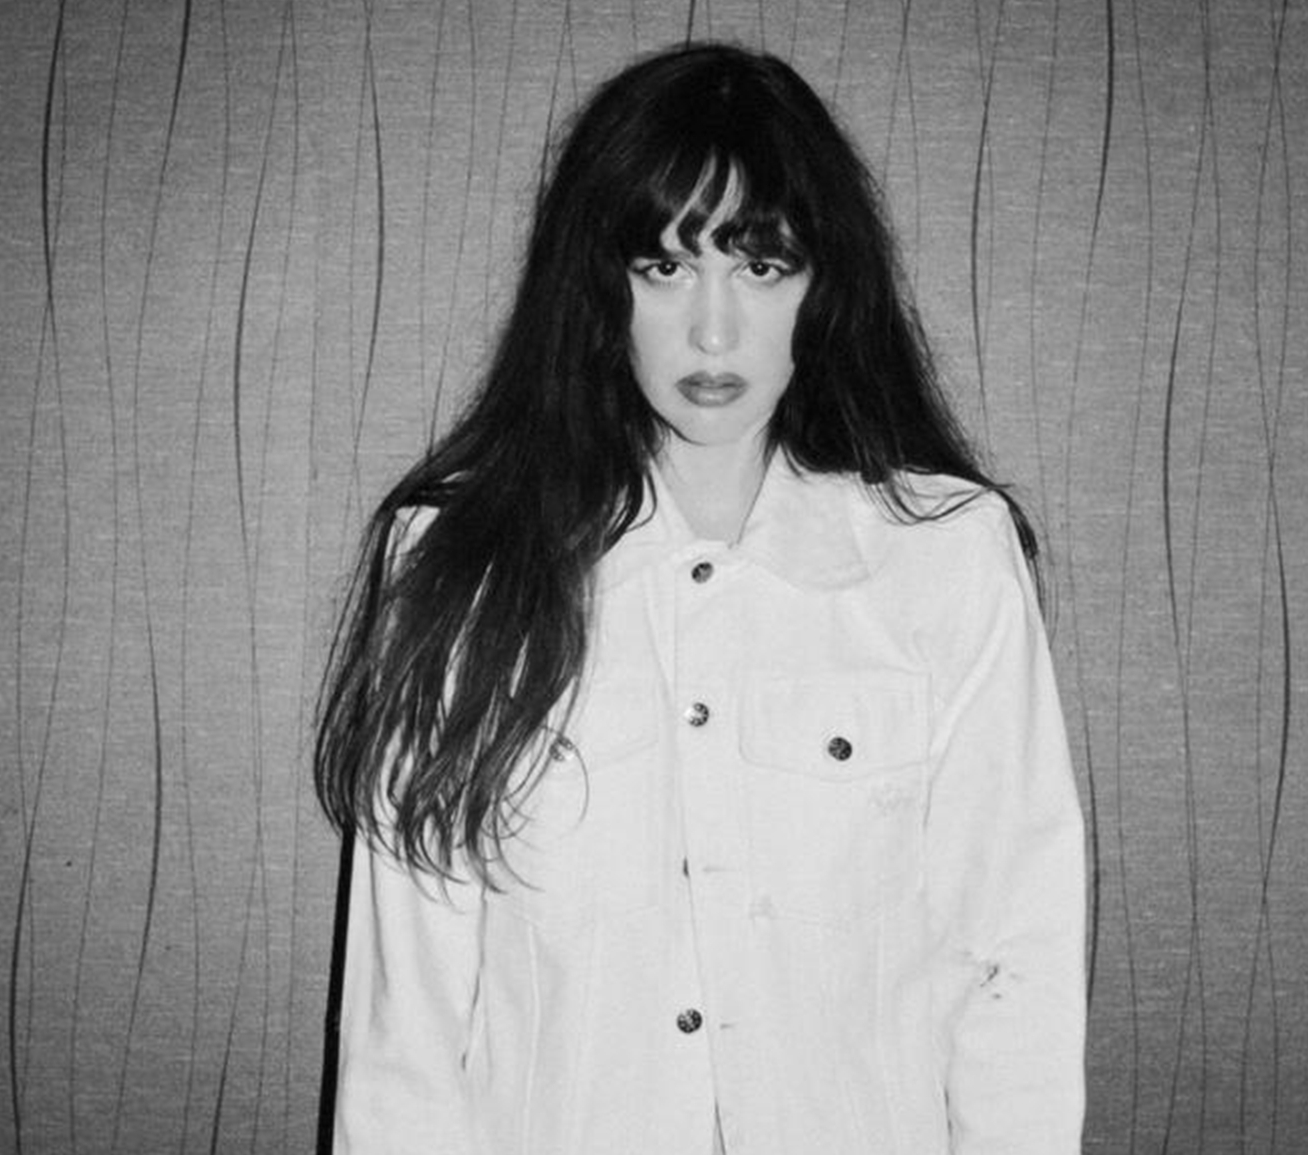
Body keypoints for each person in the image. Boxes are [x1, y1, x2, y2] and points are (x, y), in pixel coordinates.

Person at [315, 41, 1085, 1155]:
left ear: (823, 285)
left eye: (761, 267)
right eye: (665, 267)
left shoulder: (946, 558)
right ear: (600, 287)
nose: (713, 330)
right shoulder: (458, 562)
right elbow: (408, 1029)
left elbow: (1013, 961)